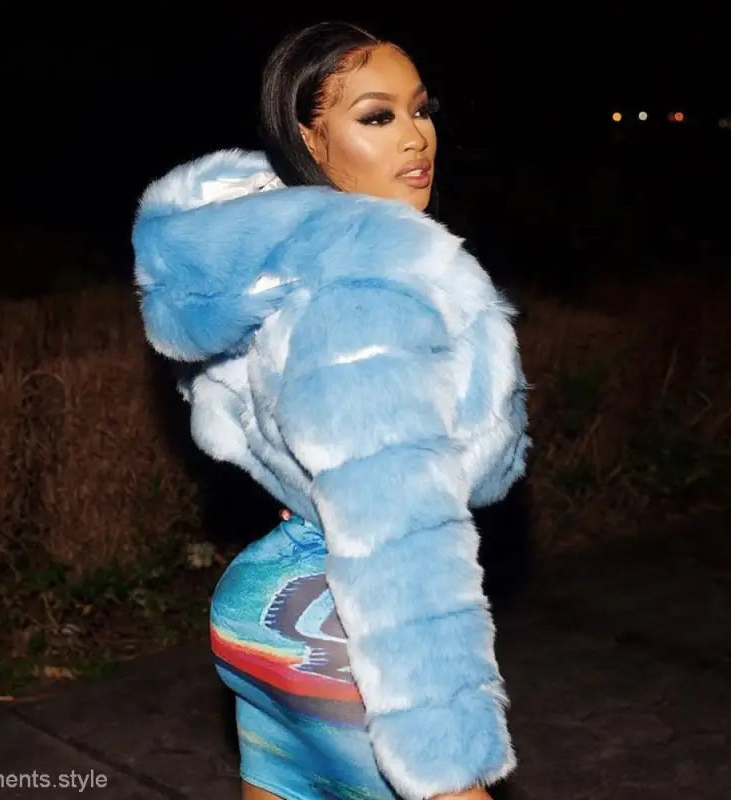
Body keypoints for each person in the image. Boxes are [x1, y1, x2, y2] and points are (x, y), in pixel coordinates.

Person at [131, 20, 531, 800]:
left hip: (262, 609)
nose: (416, 138)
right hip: (345, 628)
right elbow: (394, 529)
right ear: (310, 141)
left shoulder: (265, 260)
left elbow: (258, 420)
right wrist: (441, 739)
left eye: (421, 109)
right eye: (376, 117)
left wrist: (308, 497)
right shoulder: (375, 286)